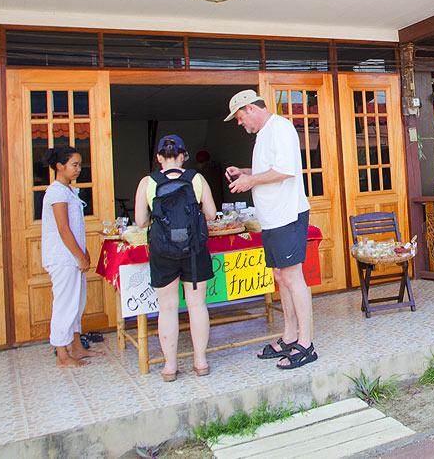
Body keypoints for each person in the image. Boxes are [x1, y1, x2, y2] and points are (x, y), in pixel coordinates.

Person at [225, 90, 316, 370]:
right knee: (281, 276)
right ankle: (289, 336)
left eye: (240, 118)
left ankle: (306, 343)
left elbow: (286, 170)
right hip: (272, 218)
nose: (240, 124)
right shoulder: (264, 133)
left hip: (288, 214)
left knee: (293, 277)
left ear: (251, 109)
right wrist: (245, 172)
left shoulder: (281, 128)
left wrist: (251, 181)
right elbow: (270, 169)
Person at [133, 135, 217, 381]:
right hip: (194, 250)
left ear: (159, 158)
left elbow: (139, 221)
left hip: (163, 252)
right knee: (197, 305)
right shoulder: (196, 178)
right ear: (183, 156)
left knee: (167, 308)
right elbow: (211, 214)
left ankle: (170, 366)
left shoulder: (147, 182)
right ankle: (200, 362)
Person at [41, 145, 103, 367]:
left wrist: (83, 252)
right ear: (60, 166)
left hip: (73, 257)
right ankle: (62, 354)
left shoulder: (68, 191)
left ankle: (77, 346)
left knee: (77, 302)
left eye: (79, 164)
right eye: (74, 165)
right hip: (63, 258)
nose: (78, 169)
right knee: (65, 304)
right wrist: (80, 256)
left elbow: (74, 229)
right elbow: (63, 229)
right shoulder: (56, 192)